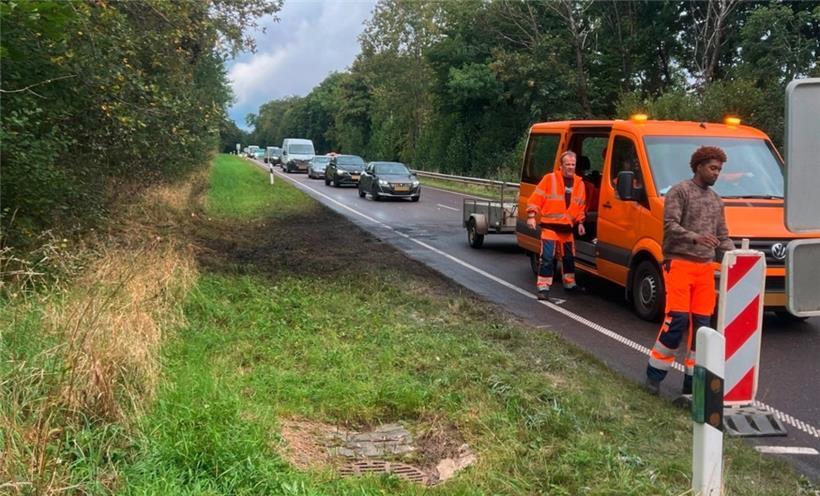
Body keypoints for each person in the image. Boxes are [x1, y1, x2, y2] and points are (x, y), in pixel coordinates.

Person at [645, 146, 735, 395]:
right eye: (712, 168)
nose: (716, 173)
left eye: (719, 169)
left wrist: (737, 255)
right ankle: (654, 375)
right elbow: (670, 225)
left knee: (703, 328)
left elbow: (722, 236)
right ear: (699, 166)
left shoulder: (717, 200)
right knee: (678, 320)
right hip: (679, 263)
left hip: (705, 268)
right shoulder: (680, 191)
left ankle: (691, 385)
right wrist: (695, 237)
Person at [526, 151, 587, 300]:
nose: (570, 167)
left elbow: (580, 206)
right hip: (550, 228)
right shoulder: (549, 179)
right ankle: (543, 287)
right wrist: (531, 216)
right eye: (567, 164)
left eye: (573, 164)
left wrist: (580, 222)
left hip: (567, 229)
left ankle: (570, 284)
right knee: (547, 258)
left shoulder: (579, 183)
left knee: (569, 258)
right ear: (561, 166)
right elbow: (535, 199)